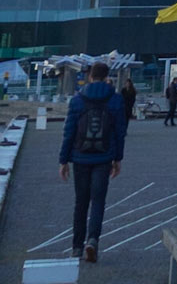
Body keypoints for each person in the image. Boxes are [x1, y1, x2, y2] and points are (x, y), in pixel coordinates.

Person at [57, 60, 127, 264]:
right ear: (107, 77)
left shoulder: (78, 100)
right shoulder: (115, 100)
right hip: (104, 157)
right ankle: (93, 240)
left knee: (81, 202)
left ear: (89, 76)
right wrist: (118, 159)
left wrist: (63, 160)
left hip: (80, 156)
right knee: (98, 201)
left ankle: (76, 247)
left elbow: (69, 131)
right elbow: (120, 132)